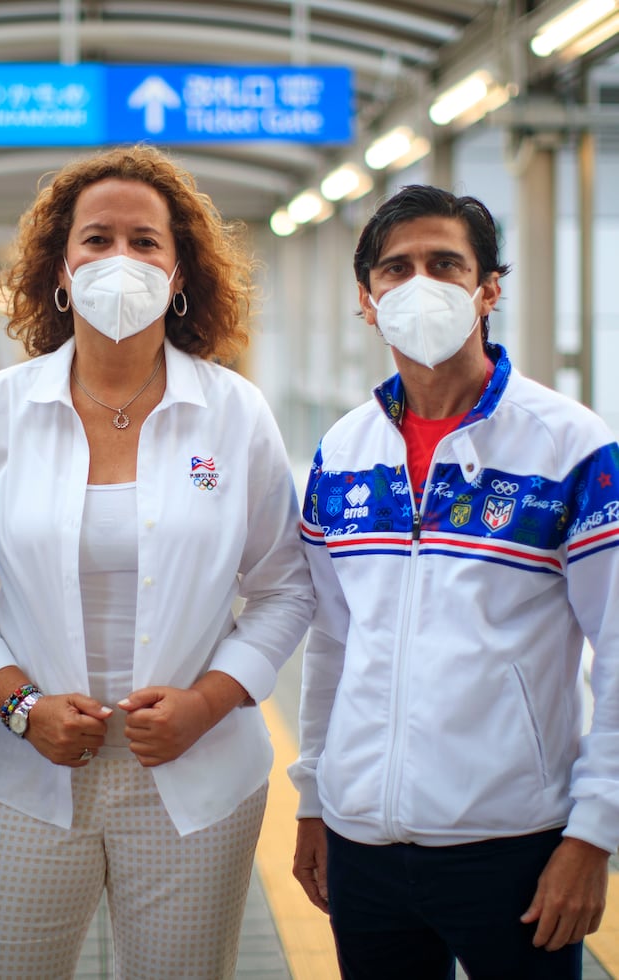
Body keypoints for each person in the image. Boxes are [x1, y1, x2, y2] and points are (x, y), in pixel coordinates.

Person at [0, 143, 315, 979]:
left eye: (145, 242)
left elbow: (285, 587)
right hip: (27, 773)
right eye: (96, 240)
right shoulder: (1, 410)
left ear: (179, 273)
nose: (119, 260)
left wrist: (208, 702)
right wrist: (21, 705)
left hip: (197, 780)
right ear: (60, 269)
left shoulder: (234, 414)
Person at [290, 184, 619, 979]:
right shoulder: (342, 450)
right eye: (395, 269)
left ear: (488, 288)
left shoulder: (569, 447)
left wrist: (594, 835)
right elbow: (332, 640)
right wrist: (312, 801)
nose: (420, 285)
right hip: (362, 841)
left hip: (514, 845)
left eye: (445, 264)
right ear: (367, 301)